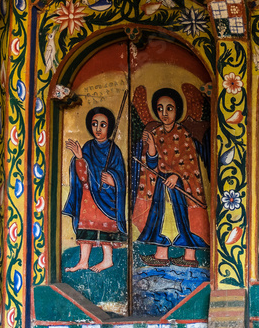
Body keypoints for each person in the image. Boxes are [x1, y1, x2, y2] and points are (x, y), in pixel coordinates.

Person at [133, 88, 209, 265]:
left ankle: (189, 257)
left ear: (177, 110)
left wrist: (177, 176)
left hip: (180, 188)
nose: (164, 113)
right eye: (160, 109)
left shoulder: (184, 134)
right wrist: (151, 146)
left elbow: (190, 164)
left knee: (184, 220)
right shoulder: (156, 133)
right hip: (161, 187)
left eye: (169, 108)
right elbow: (151, 166)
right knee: (163, 220)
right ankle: (161, 254)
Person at [63, 106, 127, 272]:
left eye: (103, 125)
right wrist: (79, 158)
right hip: (89, 196)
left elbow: (121, 175)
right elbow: (82, 177)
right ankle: (83, 261)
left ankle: (107, 260)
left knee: (106, 228)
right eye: (94, 124)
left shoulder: (114, 151)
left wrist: (113, 180)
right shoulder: (88, 147)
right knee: (86, 229)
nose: (98, 129)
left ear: (109, 127)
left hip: (106, 198)